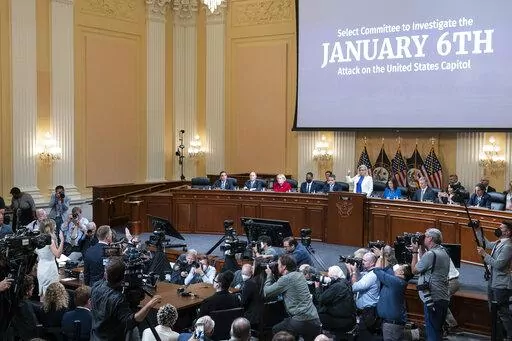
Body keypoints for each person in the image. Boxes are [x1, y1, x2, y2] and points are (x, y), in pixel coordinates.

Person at [91, 258, 162, 340]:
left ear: (105, 274)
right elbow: (131, 322)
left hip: (95, 337)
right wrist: (149, 305)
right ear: (123, 278)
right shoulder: (118, 299)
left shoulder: (96, 286)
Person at [263, 254, 321, 341]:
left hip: (301, 320)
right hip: (315, 319)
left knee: (276, 330)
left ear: (284, 267)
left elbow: (267, 292)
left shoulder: (286, 279)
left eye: (278, 264)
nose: (277, 266)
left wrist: (269, 275)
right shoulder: (299, 275)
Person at [410, 228, 450, 341]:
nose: (424, 237)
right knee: (437, 330)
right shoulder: (443, 251)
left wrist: (414, 252)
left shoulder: (431, 254)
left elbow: (414, 270)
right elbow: (425, 262)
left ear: (430, 238)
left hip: (432, 298)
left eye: (426, 236)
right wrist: (422, 247)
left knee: (432, 332)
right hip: (442, 296)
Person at [475, 220, 512, 340]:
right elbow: (485, 244)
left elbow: (498, 265)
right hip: (493, 280)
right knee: (493, 309)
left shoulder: (508, 246)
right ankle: (498, 335)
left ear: (508, 232)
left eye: (501, 228)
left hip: (501, 284)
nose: (498, 229)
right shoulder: (499, 242)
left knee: (503, 312)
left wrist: (484, 255)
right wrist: (478, 230)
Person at [373, 248, 414, 341]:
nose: (397, 266)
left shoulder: (396, 282)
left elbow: (377, 270)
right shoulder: (396, 279)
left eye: (400, 266)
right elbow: (388, 268)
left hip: (392, 325)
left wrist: (380, 257)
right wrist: (382, 255)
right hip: (390, 323)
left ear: (402, 272)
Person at [346, 252, 381, 340]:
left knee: (365, 337)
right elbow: (357, 279)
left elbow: (355, 287)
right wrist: (352, 271)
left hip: (368, 312)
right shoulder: (367, 273)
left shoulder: (372, 275)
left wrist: (353, 272)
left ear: (372, 263)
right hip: (363, 312)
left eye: (365, 261)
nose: (362, 262)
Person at [314, 265, 356, 335]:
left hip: (339, 321)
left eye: (329, 277)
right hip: (349, 318)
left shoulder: (337, 286)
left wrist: (317, 287)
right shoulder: (345, 282)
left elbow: (320, 299)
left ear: (334, 277)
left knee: (316, 315)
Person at [35, 219, 65, 297]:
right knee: (52, 294)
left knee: (42, 293)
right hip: (50, 269)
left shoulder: (37, 240)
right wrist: (62, 241)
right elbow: (57, 254)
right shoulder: (49, 241)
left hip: (41, 267)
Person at [10, 275, 40, 340]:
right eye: (32, 287)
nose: (33, 288)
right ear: (27, 291)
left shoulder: (15, 302)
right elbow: (32, 327)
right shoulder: (26, 306)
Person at [240, 260, 265, 329]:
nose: (252, 267)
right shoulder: (265, 280)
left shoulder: (250, 283)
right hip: (265, 316)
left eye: (253, 266)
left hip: (252, 318)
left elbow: (243, 303)